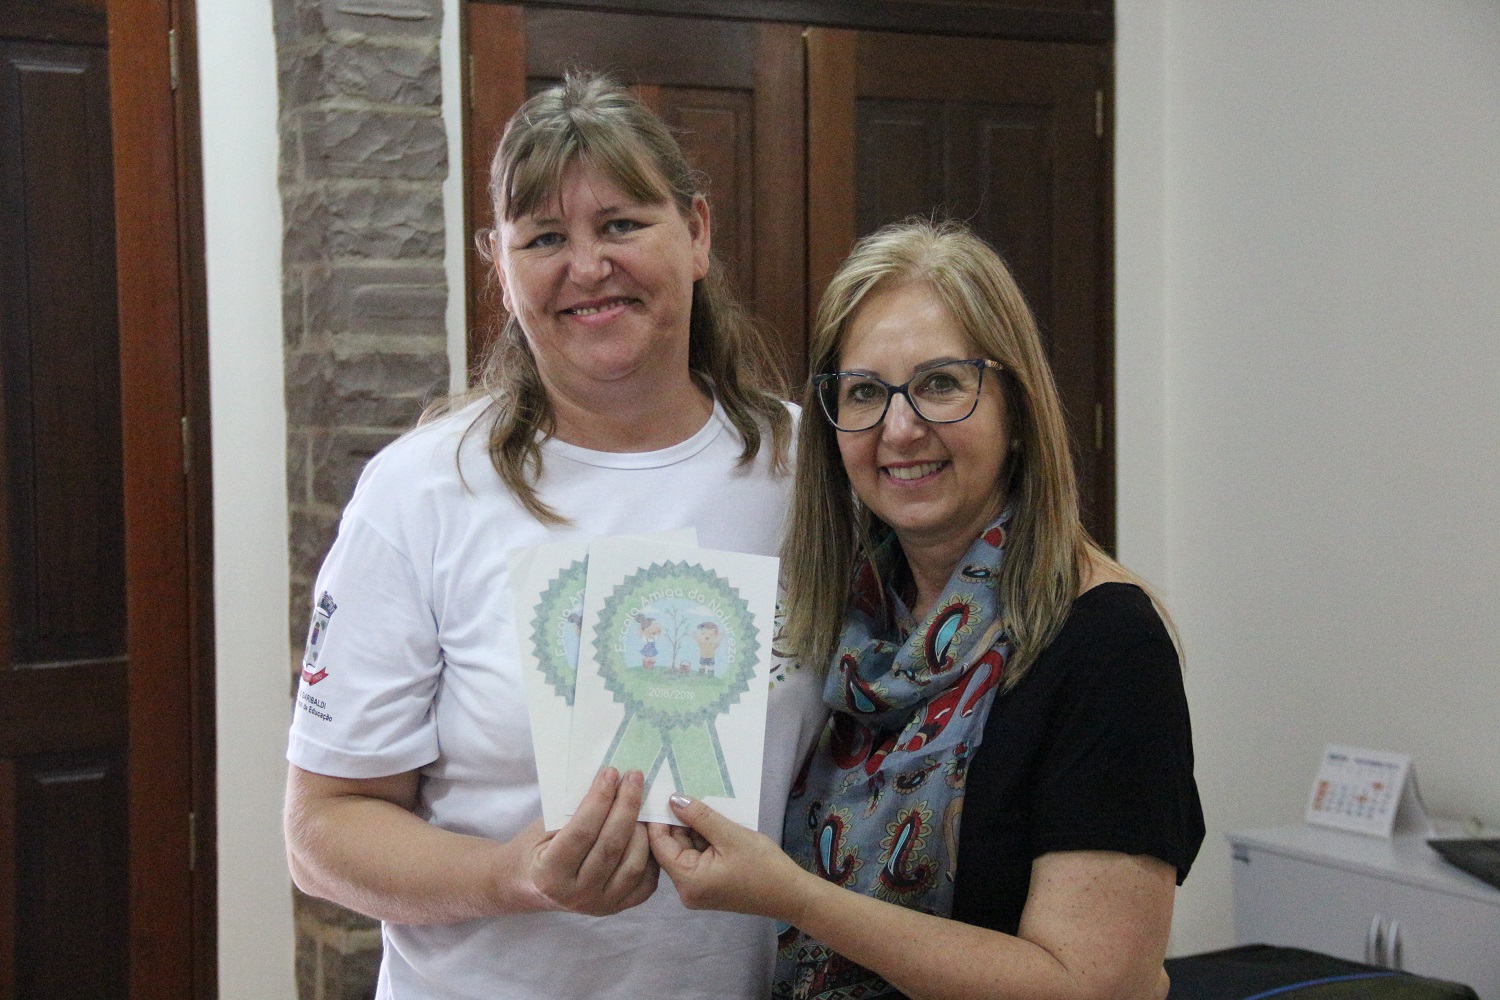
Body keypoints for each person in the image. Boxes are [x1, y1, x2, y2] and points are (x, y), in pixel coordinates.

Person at [283, 72, 827, 999]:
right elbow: (323, 831)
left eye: (620, 224)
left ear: (697, 233)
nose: (588, 266)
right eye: (544, 238)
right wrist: (516, 875)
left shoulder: (810, 472)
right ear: (499, 266)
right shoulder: (420, 492)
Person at [650, 219, 1206, 1000]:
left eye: (941, 383)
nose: (901, 428)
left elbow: (1092, 987)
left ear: (1016, 408)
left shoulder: (1107, 642)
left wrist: (793, 896)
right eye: (865, 392)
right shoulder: (844, 629)